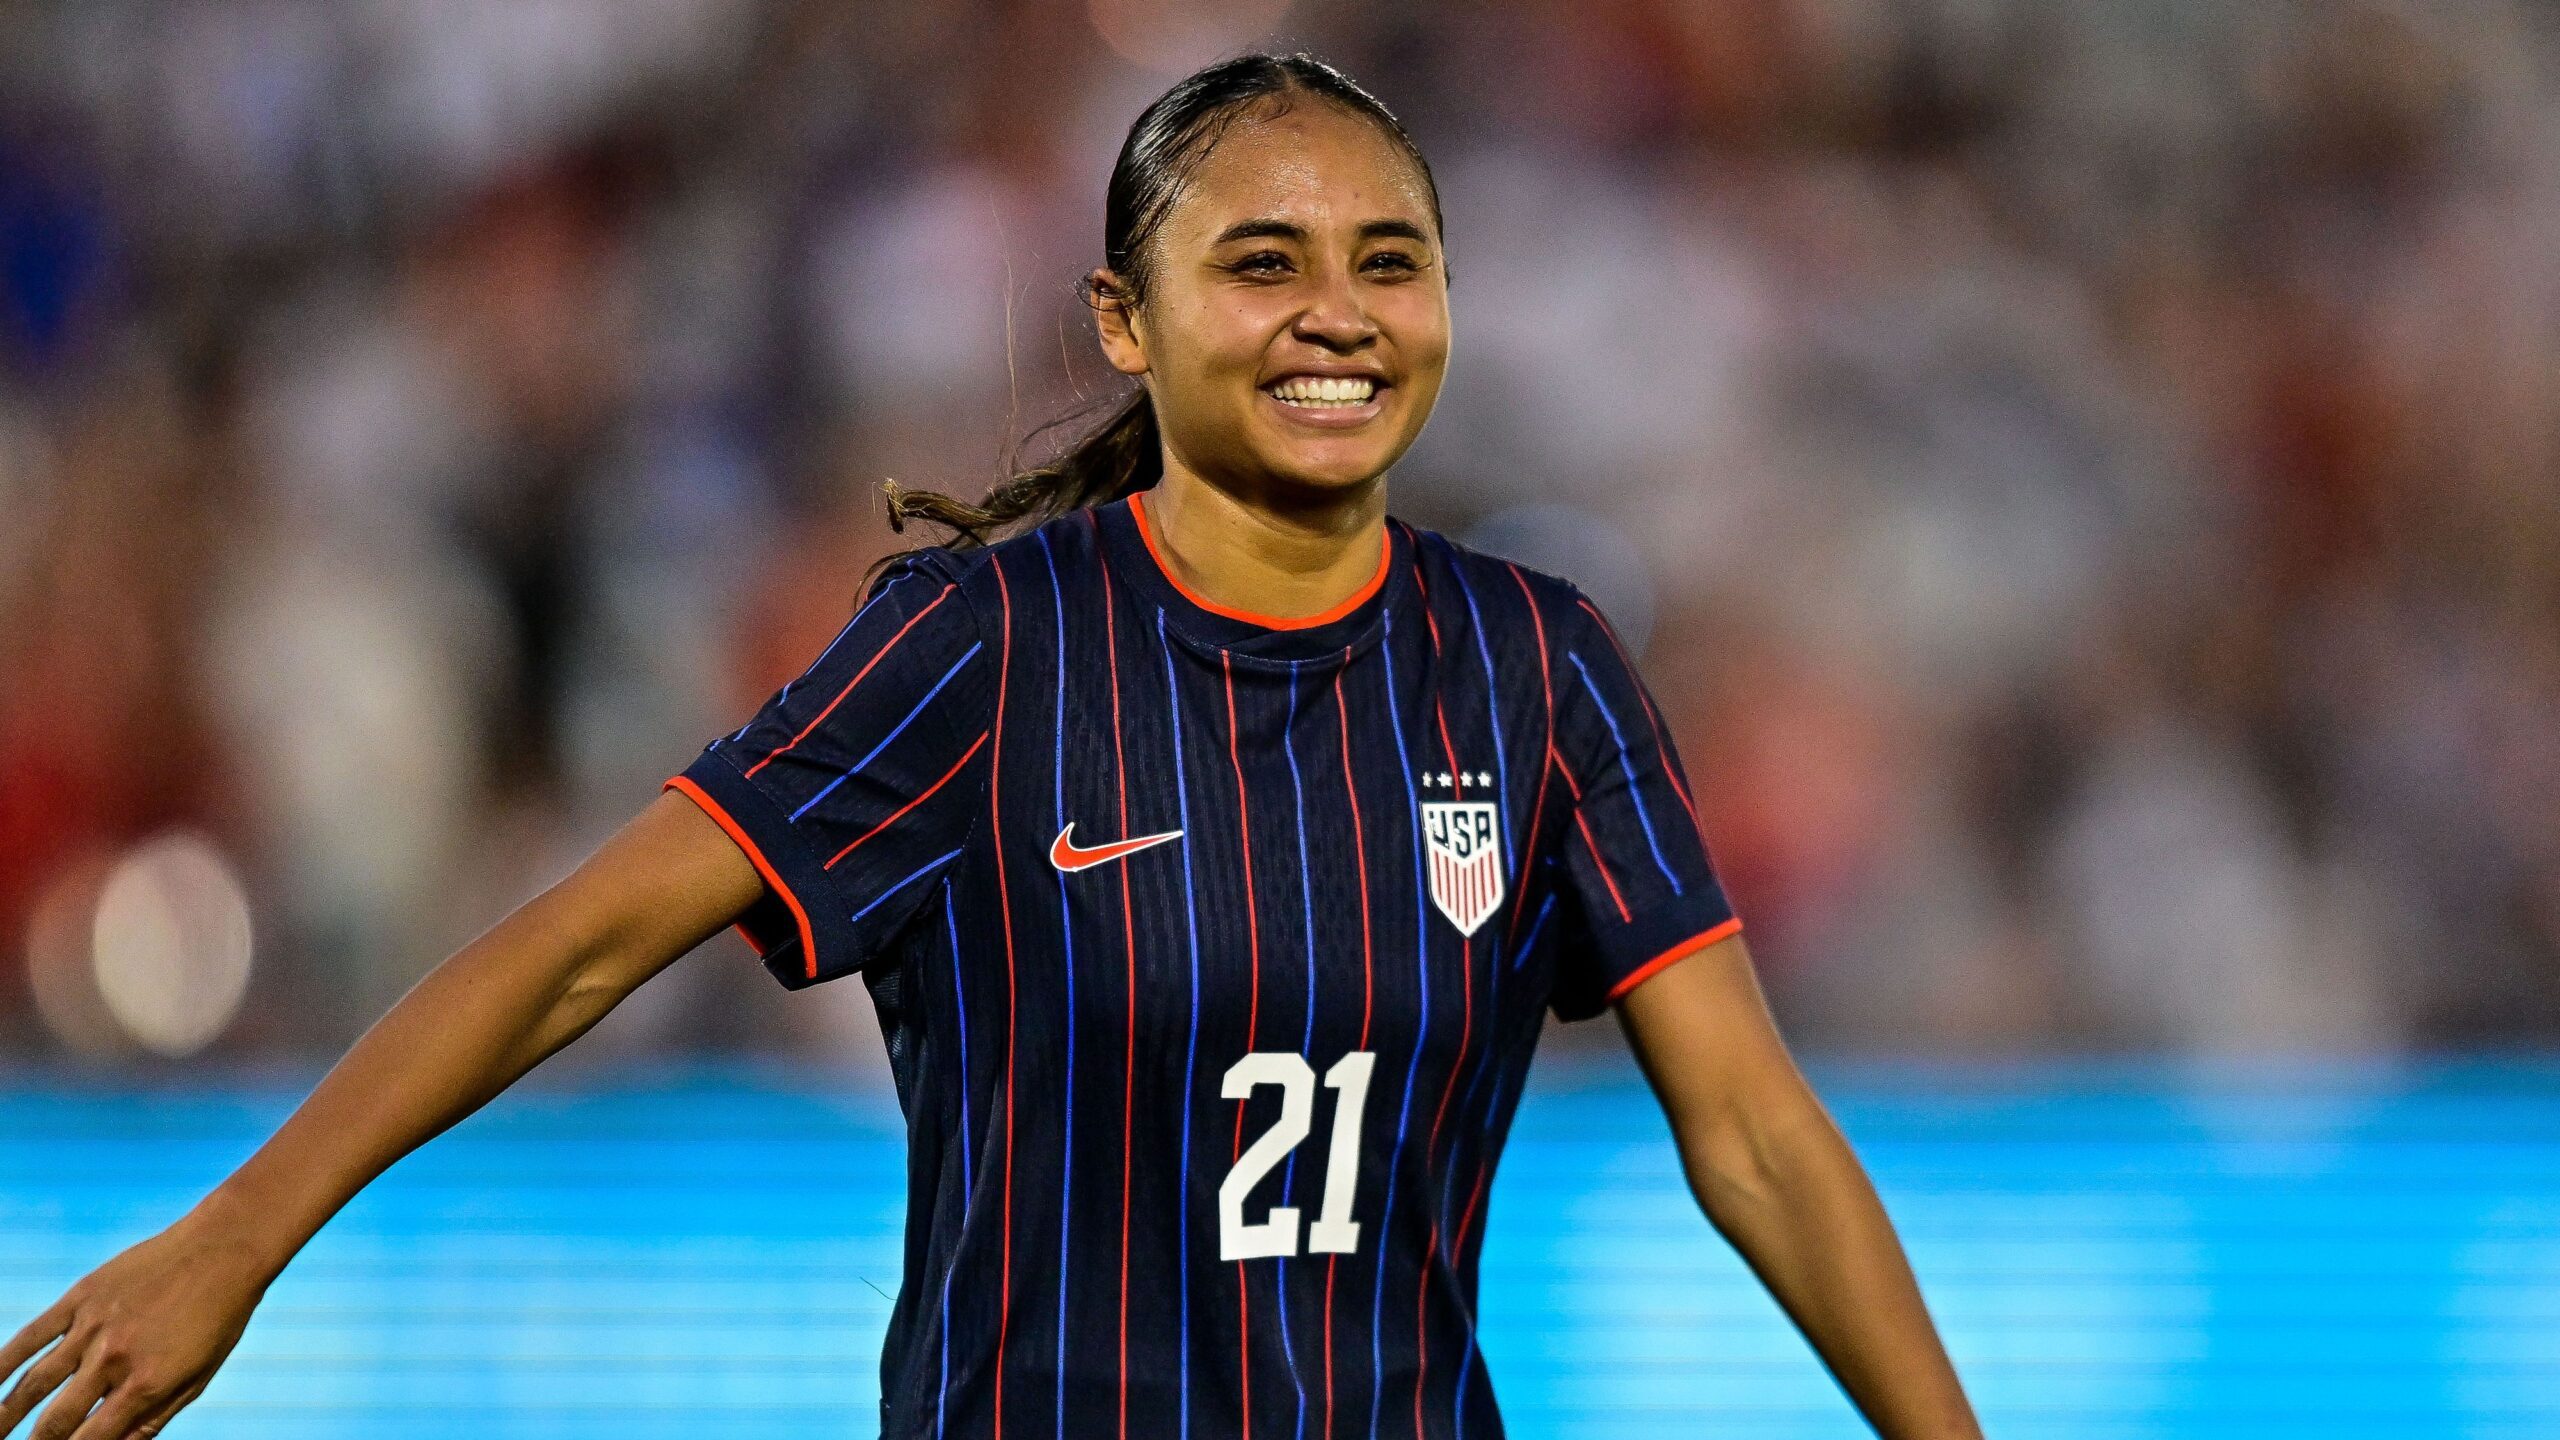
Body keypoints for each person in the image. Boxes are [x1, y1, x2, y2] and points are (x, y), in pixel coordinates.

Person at [0, 51, 1980, 1440]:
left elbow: (1754, 1136)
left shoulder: (1534, 664)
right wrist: (233, 1244)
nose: (1338, 315)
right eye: (1262, 263)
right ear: (1125, 320)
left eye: (1389, 259)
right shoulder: (989, 649)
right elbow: (580, 948)